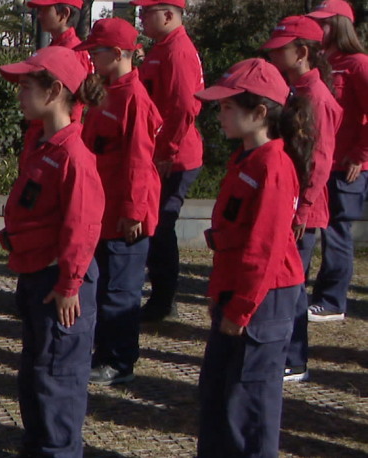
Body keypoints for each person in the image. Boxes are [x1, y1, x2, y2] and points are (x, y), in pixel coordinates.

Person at [193, 57, 312, 458]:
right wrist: (219, 293)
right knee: (217, 396)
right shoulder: (246, 158)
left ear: (260, 113)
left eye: (228, 107)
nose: (220, 114)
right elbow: (233, 239)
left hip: (264, 299)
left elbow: (265, 248)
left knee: (249, 405)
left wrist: (240, 308)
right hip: (239, 292)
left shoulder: (273, 166)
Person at [0, 46, 105, 458]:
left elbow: (83, 226)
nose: (19, 94)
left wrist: (69, 284)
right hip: (37, 276)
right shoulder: (42, 143)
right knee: (37, 377)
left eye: (26, 86)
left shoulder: (74, 156)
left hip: (59, 283)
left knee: (58, 381)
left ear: (55, 91)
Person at [76, 18, 162, 386]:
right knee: (104, 286)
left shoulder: (134, 99)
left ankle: (119, 361)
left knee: (120, 292)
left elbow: (139, 162)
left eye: (95, 51)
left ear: (117, 53)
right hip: (104, 208)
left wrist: (133, 213)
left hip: (124, 216)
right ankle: (103, 353)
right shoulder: (108, 91)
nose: (91, 58)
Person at [263, 15, 343, 382]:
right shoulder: (298, 91)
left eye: (282, 50)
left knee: (293, 282)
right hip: (294, 202)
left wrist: (304, 209)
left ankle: (294, 359)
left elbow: (322, 159)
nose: (275, 57)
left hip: (304, 209)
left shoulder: (317, 97)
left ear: (303, 52)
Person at [132, 0, 205, 322]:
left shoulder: (177, 51)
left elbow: (185, 107)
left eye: (146, 12)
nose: (140, 17)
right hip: (162, 153)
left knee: (160, 226)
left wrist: (167, 151)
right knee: (157, 225)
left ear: (168, 14)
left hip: (173, 157)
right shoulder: (164, 46)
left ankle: (164, 301)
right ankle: (161, 298)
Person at [306, 0, 367, 322]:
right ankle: (322, 296)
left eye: (324, 23)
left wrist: (360, 155)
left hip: (348, 167)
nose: (318, 29)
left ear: (340, 25)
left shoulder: (357, 64)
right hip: (324, 163)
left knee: (337, 232)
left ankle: (332, 302)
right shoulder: (322, 62)